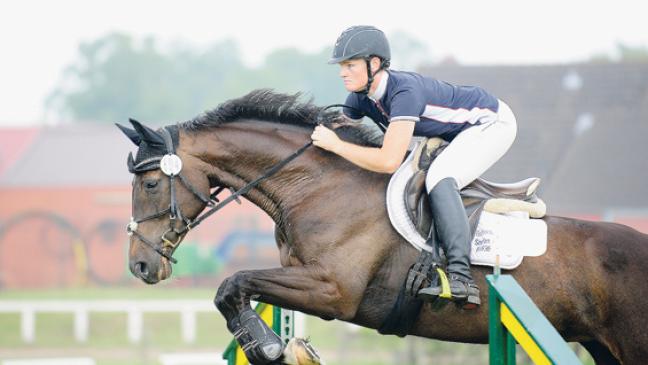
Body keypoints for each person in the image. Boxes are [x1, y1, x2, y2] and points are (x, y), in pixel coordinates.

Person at [310, 25, 517, 309]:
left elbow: (387, 160)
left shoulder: (404, 92)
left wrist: (336, 145)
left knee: (440, 177)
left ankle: (461, 276)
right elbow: (343, 129)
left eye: (349, 64)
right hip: (455, 133)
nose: (342, 72)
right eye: (342, 66)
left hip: (492, 123)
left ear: (373, 64)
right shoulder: (358, 98)